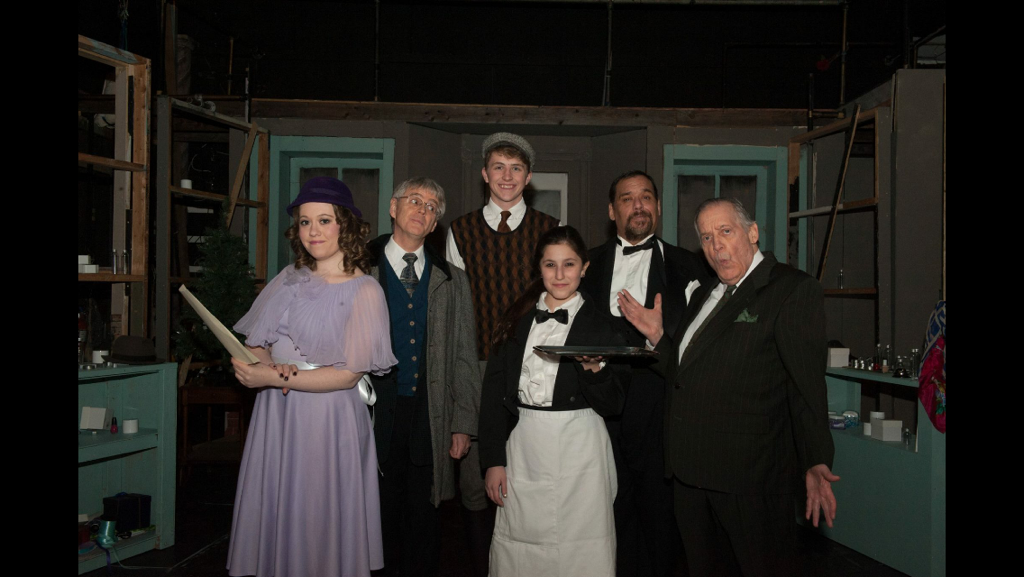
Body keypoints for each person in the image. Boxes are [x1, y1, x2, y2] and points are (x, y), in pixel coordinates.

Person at [618, 197, 839, 577]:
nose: (716, 245)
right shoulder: (704, 292)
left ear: (752, 233)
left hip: (750, 479)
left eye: (725, 231)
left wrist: (816, 458)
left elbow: (806, 387)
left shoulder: (790, 289)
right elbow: (685, 373)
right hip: (689, 475)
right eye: (706, 237)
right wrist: (657, 337)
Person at [227, 176, 398, 577]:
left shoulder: (365, 290)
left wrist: (274, 378)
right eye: (305, 222)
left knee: (318, 514)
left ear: (345, 225)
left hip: (327, 420)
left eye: (324, 220)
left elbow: (348, 375)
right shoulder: (288, 278)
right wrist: (269, 364)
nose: (313, 231)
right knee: (279, 507)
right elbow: (257, 342)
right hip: (278, 413)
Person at [478, 225, 629, 577]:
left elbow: (614, 405)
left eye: (569, 264)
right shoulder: (515, 321)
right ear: (539, 268)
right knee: (522, 544)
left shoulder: (604, 326)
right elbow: (493, 394)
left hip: (582, 446)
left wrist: (594, 370)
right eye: (550, 265)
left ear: (584, 268)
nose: (560, 275)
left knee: (583, 548)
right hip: (525, 443)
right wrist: (493, 460)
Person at [580, 170, 708, 577]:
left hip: (661, 410)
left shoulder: (689, 266)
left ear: (658, 206)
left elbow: (702, 345)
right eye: (627, 198)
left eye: (646, 197)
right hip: (597, 410)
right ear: (611, 211)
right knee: (607, 517)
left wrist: (660, 333)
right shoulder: (585, 265)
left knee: (660, 521)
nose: (638, 206)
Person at [446, 131, 559, 572]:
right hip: (476, 364)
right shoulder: (459, 230)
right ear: (484, 174)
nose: (507, 176)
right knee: (476, 479)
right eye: (498, 167)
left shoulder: (550, 228)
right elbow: (455, 307)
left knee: (531, 473)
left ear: (528, 177)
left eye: (516, 169)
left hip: (534, 364)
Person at [365, 177, 481, 577]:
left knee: (424, 519)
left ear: (434, 225)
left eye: (432, 207)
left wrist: (463, 423)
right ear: (393, 207)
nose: (423, 210)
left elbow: (465, 355)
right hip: (371, 415)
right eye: (414, 200)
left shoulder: (453, 279)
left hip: (429, 416)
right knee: (375, 515)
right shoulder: (360, 268)